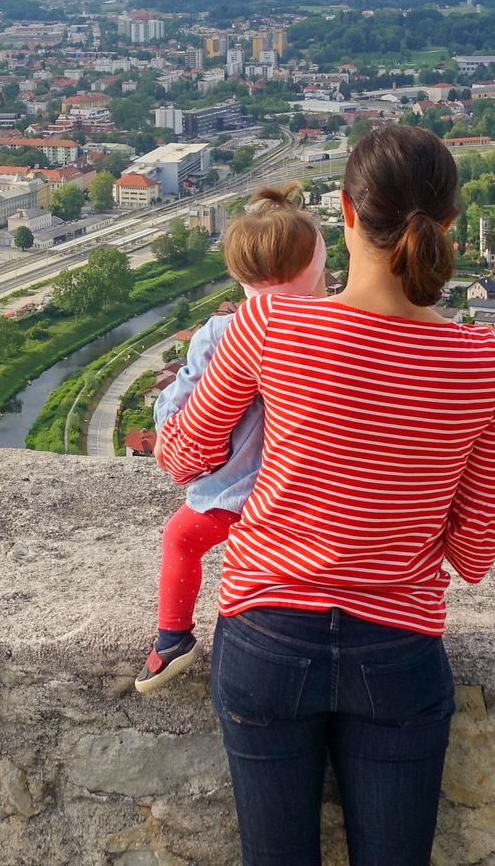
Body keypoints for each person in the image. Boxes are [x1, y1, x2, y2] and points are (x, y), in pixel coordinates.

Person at [155, 125, 495, 866]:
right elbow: (477, 551)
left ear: (347, 217)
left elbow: (186, 455)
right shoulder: (486, 362)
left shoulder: (266, 325)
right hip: (397, 650)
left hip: (265, 636)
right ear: (447, 226)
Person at [136, 187, 327, 693]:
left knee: (180, 539)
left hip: (231, 496)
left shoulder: (223, 331)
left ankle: (173, 638)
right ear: (315, 269)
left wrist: (162, 423)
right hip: (301, 501)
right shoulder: (330, 330)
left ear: (240, 276)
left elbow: (181, 407)